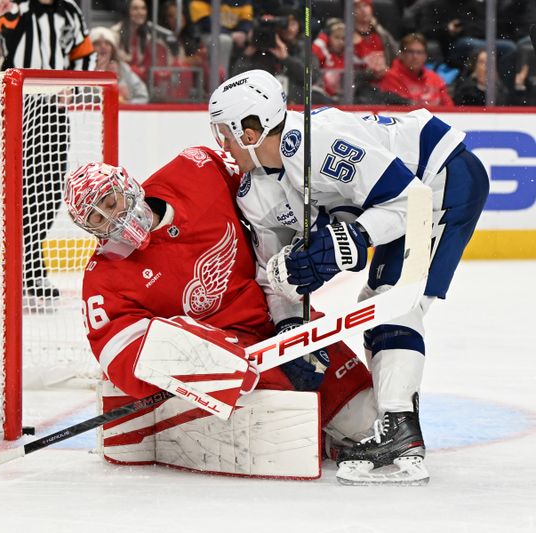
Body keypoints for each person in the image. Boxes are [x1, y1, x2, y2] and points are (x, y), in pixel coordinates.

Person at [208, 69, 490, 484]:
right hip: (412, 197)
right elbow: (274, 274)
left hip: (443, 175)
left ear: (249, 130)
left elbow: (409, 200)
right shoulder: (256, 196)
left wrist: (351, 238)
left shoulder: (315, 141)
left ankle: (399, 427)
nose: (223, 145)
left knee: (395, 297)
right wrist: (292, 328)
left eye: (225, 133)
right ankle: (396, 422)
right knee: (380, 303)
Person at [61, 149, 378, 476]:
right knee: (298, 439)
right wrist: (204, 365)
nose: (113, 220)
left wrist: (291, 317)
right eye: (97, 219)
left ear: (126, 185)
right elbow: (118, 351)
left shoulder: (194, 170)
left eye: (111, 203)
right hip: (237, 359)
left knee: (371, 422)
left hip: (275, 315)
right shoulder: (104, 278)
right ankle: (322, 436)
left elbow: (263, 192)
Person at [0, 0, 95, 301]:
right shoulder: (17, 4)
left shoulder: (70, 9)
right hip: (18, 104)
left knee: (49, 191)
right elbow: (0, 25)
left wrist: (73, 85)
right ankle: (24, 267)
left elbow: (83, 52)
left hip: (54, 106)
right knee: (23, 189)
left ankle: (28, 263)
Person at [375, 33, 454, 107]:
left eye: (419, 52)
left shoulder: (434, 78)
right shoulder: (391, 77)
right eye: (410, 52)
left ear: (425, 56)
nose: (415, 56)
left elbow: (449, 107)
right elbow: (399, 108)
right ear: (401, 54)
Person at [90, 26, 148, 104]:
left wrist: (128, 103)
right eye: (97, 44)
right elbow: (82, 99)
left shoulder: (123, 68)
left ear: (113, 49)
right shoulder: (83, 68)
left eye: (107, 43)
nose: (103, 47)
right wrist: (98, 74)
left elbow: (143, 96)